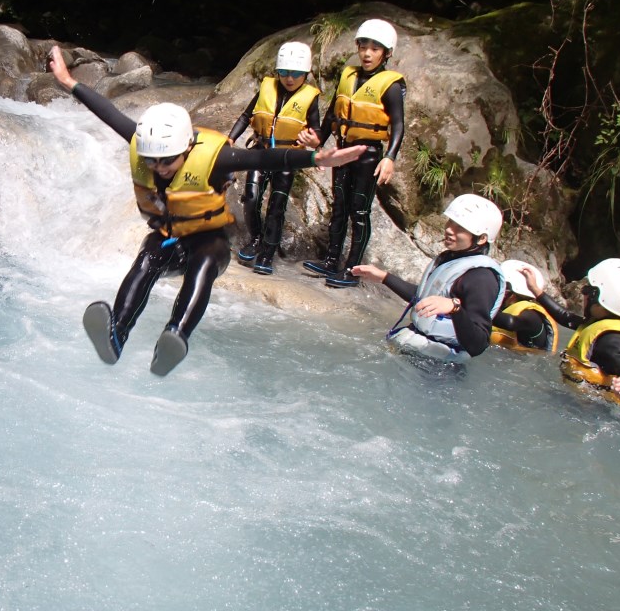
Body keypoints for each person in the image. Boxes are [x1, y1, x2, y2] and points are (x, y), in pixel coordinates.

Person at [46, 45, 365, 376]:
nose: (159, 167)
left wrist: (316, 158)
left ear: (186, 148)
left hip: (209, 243)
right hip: (171, 241)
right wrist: (68, 81)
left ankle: (176, 335)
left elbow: (264, 158)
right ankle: (116, 335)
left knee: (204, 262)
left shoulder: (215, 159)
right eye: (152, 160)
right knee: (148, 254)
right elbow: (107, 112)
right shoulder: (145, 147)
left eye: (167, 160)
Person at [299, 19, 406, 288]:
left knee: (359, 211)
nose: (368, 54)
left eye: (375, 49)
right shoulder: (348, 75)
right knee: (340, 207)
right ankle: (331, 260)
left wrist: (389, 157)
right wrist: (318, 141)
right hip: (344, 149)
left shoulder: (390, 85)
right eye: (364, 47)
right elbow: (334, 113)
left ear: (386, 53)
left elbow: (398, 123)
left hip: (369, 153)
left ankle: (353, 269)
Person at [352, 194, 505, 364]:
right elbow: (424, 298)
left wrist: (455, 309)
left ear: (482, 238)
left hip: (439, 369)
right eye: (450, 222)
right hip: (418, 351)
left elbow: (478, 344)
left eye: (459, 227)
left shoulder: (481, 278)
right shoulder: (452, 260)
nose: (449, 229)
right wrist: (384, 277)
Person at [226, 41, 323, 275]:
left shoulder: (310, 97)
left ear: (306, 74)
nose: (290, 79)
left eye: (296, 74)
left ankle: (268, 253)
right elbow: (247, 115)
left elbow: (317, 130)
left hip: (287, 156)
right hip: (260, 151)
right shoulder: (267, 88)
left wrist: (313, 142)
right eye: (284, 73)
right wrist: (231, 139)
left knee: (277, 205)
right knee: (250, 197)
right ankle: (257, 238)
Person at [520, 258, 620, 410]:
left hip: (607, 410)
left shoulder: (612, 339)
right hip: (597, 405)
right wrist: (536, 290)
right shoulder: (599, 324)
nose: (583, 295)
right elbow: (564, 317)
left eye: (587, 291)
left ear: (600, 299)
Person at [489, 259, 559, 353]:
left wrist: (479, 307)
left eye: (502, 287)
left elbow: (510, 322)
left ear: (513, 294)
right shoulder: (506, 309)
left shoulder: (532, 316)